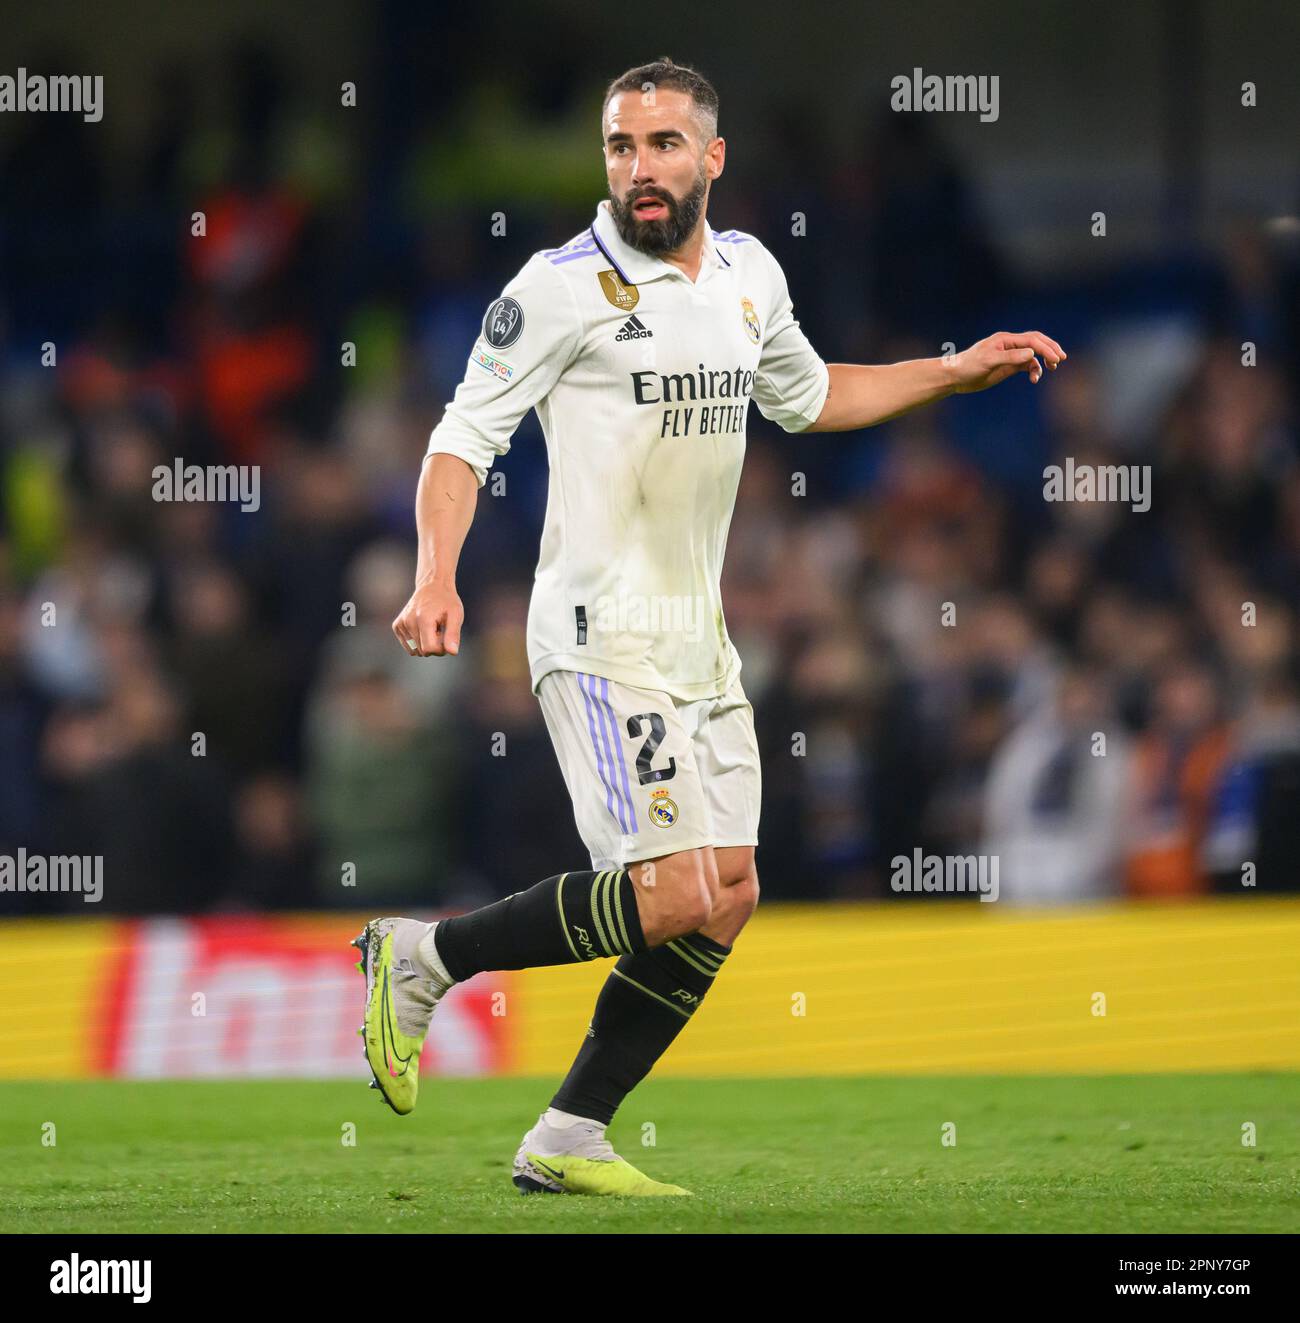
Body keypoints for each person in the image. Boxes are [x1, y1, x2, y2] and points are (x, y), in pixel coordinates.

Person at [358, 57, 1065, 1197]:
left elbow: (811, 393)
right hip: (595, 633)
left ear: (711, 158)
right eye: (621, 148)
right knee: (672, 891)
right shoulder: (554, 288)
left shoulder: (748, 275)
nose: (640, 170)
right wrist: (434, 573)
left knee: (727, 890)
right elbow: (460, 437)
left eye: (663, 146)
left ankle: (570, 1133)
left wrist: (952, 373)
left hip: (698, 640)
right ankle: (424, 958)